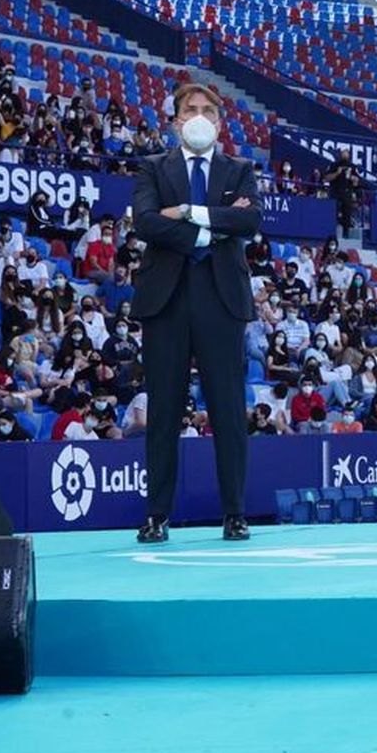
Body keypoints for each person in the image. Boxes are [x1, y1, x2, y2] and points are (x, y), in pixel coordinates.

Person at [131, 84, 261, 544]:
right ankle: (156, 516)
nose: (199, 116)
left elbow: (249, 221)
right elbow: (145, 221)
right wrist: (209, 231)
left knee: (228, 410)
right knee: (163, 411)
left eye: (208, 110)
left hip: (221, 300)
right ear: (175, 120)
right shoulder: (152, 167)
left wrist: (186, 212)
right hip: (166, 300)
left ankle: (235, 514)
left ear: (221, 122)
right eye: (190, 110)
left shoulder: (240, 169)